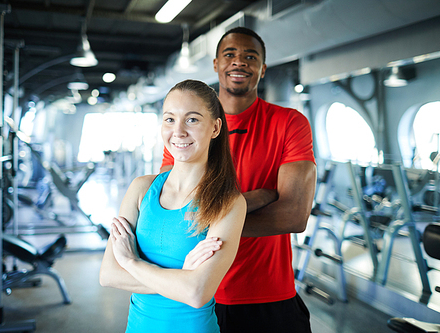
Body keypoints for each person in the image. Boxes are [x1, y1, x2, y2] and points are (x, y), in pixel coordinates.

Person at [160, 27, 317, 332]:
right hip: (201, 290)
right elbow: (177, 212)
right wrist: (260, 196)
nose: (239, 62)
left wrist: (209, 221)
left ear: (263, 68)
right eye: (230, 55)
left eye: (250, 56)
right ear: (216, 64)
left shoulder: (289, 123)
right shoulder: (188, 130)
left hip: (269, 294)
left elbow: (294, 216)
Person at [100, 79, 247, 333]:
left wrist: (131, 262)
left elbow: (197, 292)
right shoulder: (141, 189)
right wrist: (181, 276)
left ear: (215, 127)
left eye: (192, 120)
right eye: (169, 119)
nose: (178, 132)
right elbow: (109, 274)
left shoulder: (228, 202)